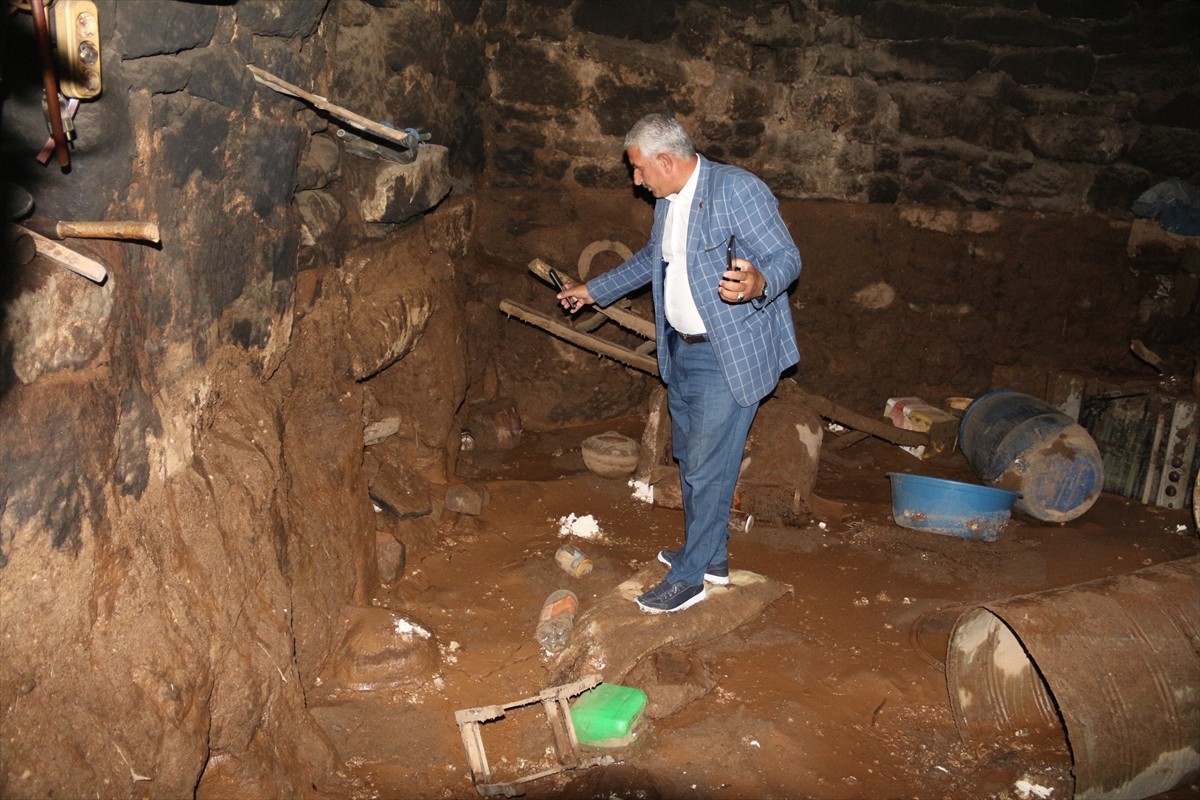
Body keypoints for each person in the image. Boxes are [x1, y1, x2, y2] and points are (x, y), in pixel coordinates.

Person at [557, 113, 802, 613]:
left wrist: (758, 283)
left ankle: (690, 579)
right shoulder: (669, 203)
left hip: (727, 352)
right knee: (692, 460)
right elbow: (653, 258)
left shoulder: (738, 190)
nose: (636, 180)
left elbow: (787, 258)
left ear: (666, 161)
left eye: (640, 170)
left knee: (709, 471)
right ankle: (710, 557)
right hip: (682, 349)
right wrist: (593, 290)